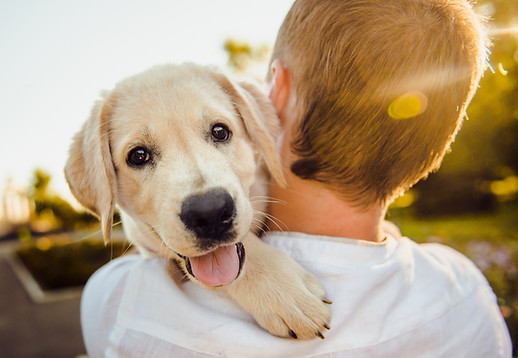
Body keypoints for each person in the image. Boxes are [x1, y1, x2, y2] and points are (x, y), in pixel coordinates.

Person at [81, 0, 512, 357]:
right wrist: (252, 269)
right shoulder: (465, 291)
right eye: (140, 156)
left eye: (218, 132)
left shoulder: (120, 305)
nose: (204, 195)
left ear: (274, 96)